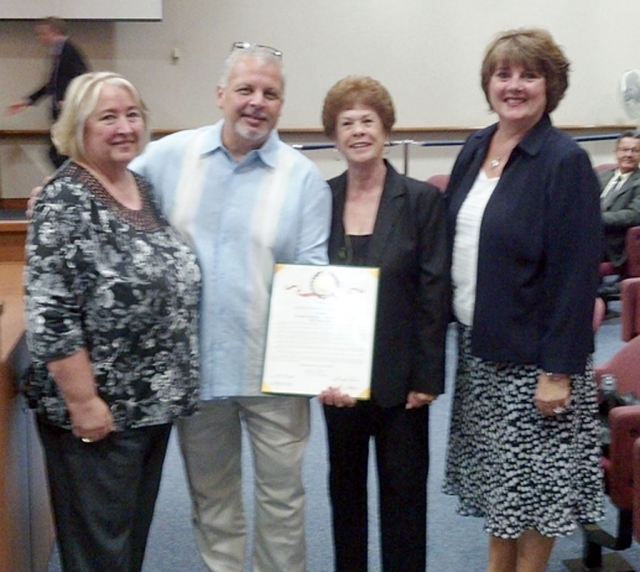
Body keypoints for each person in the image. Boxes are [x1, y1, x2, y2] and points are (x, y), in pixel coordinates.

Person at [128, 43, 331, 572]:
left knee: (282, 502)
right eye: (246, 89)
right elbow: (108, 185)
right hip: (198, 373)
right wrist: (58, 193)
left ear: (282, 105)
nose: (257, 102)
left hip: (275, 375)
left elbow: (313, 280)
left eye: (271, 93)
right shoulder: (170, 157)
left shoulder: (303, 178)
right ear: (221, 95)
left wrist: (322, 364)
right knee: (212, 502)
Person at [24, 71, 201, 572]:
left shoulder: (140, 186)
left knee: (126, 543)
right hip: (98, 414)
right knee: (98, 550)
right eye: (108, 117)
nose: (124, 127)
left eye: (132, 114)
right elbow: (51, 313)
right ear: (79, 127)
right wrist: (84, 403)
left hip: (147, 406)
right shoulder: (63, 201)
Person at [442, 28, 604, 572]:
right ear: (488, 83)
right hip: (480, 348)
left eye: (528, 75)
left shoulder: (564, 161)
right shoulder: (475, 146)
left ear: (550, 85)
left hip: (534, 361)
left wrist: (556, 370)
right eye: (503, 74)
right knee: (499, 486)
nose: (514, 86)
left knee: (536, 489)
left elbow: (576, 277)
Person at [318, 76, 450, 571]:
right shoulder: (321, 198)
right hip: (340, 385)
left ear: (385, 130)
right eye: (346, 123)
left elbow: (435, 294)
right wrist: (313, 369)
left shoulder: (420, 201)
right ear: (334, 136)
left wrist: (426, 377)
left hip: (403, 385)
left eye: (367, 121)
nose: (357, 131)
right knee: (344, 497)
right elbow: (307, 286)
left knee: (404, 503)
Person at [6, 17, 89, 168]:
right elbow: (52, 84)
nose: (41, 38)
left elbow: (84, 76)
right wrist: (28, 100)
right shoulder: (58, 52)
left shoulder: (69, 50)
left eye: (43, 33)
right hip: (59, 112)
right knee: (58, 153)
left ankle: (68, 183)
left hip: (67, 112)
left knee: (59, 153)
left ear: (55, 32)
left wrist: (70, 99)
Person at [599, 131, 640, 269]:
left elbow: (634, 215)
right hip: (585, 231)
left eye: (635, 151)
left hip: (612, 241)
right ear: (616, 152)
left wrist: (596, 219)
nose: (628, 155)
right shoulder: (601, 176)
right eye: (624, 150)